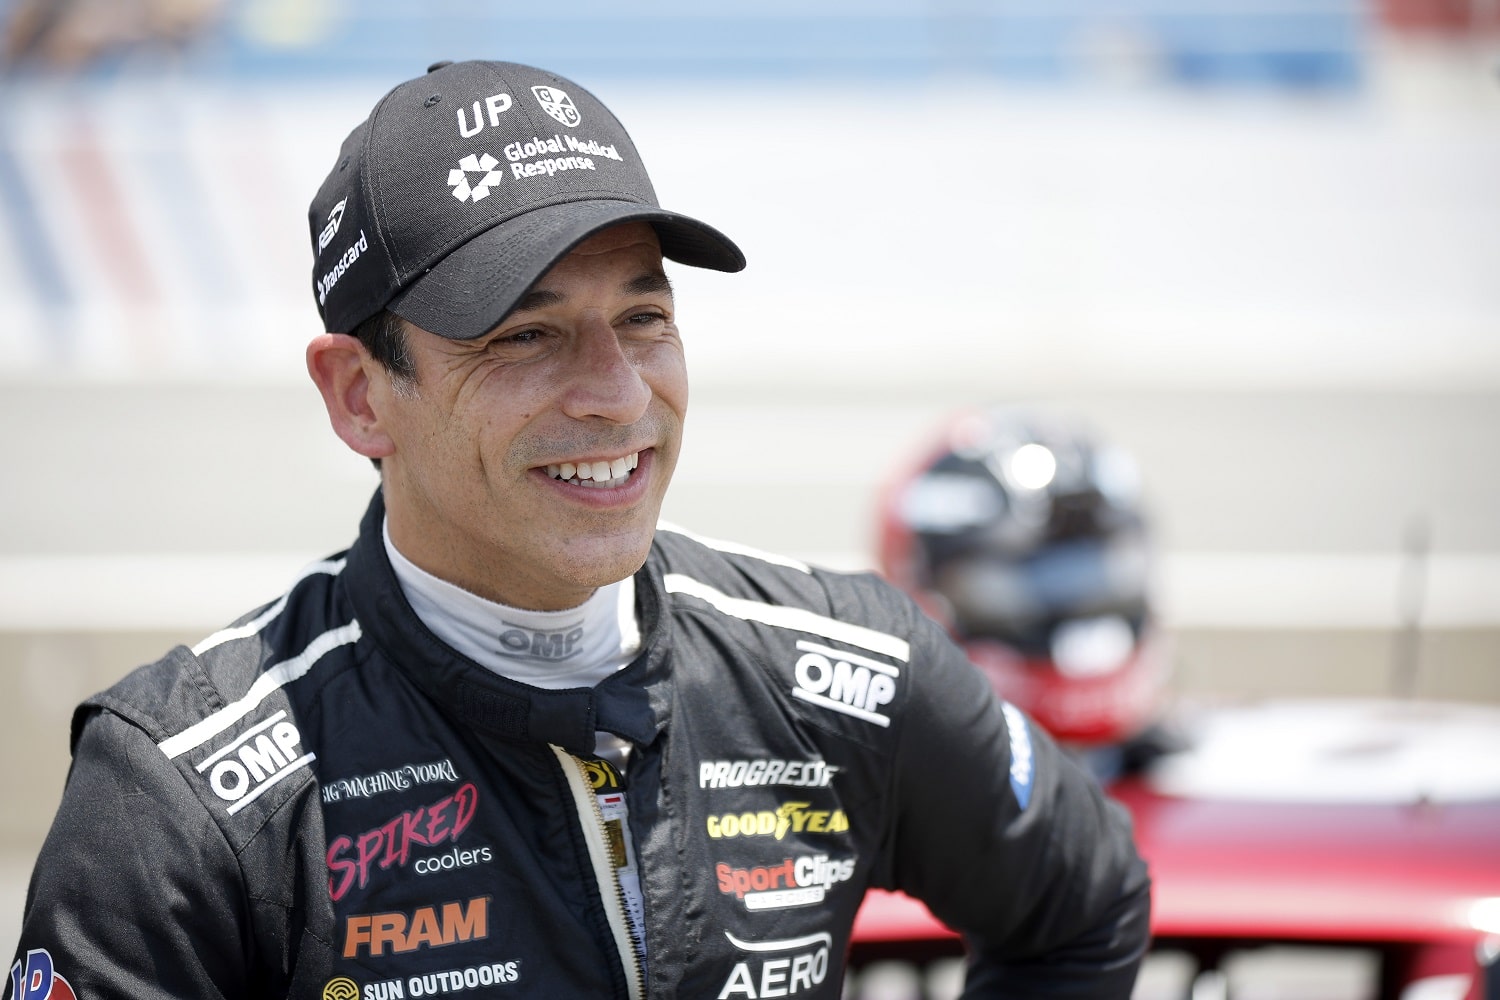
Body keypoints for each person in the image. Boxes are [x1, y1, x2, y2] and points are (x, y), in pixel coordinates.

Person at [7, 60, 1150, 1000]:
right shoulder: (180, 798)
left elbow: (1086, 909)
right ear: (361, 395)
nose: (614, 393)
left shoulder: (848, 670)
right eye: (523, 336)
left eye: (643, 316)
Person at [875, 407, 1176, 782]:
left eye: (1094, 571)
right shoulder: (870, 789)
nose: (1073, 603)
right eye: (1021, 581)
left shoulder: (1212, 775)